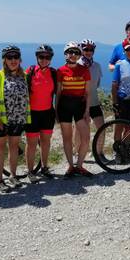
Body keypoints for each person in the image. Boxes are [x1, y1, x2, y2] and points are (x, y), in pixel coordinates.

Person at [0, 45, 31, 193]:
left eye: (16, 57)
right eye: (9, 57)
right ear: (4, 60)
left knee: (13, 148)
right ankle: (0, 180)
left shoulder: (24, 76)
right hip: (0, 120)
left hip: (17, 119)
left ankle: (13, 176)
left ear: (20, 59)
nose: (13, 60)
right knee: (0, 150)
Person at [55, 42, 92, 178]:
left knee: (86, 137)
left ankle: (80, 165)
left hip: (79, 105)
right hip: (64, 105)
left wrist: (87, 110)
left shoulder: (84, 70)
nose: (73, 55)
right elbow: (58, 92)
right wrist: (56, 110)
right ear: (66, 54)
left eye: (76, 52)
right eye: (71, 52)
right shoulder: (60, 71)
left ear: (79, 55)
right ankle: (70, 166)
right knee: (67, 137)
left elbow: (88, 92)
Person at [25, 44, 57, 182]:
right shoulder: (30, 72)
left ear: (50, 58)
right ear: (37, 58)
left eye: (47, 57)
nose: (44, 59)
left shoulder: (53, 73)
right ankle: (30, 171)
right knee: (31, 143)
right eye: (41, 57)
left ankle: (44, 168)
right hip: (32, 113)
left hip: (48, 112)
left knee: (46, 142)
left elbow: (58, 93)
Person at [74, 39, 105, 158]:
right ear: (81, 49)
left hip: (94, 103)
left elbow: (96, 84)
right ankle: (77, 153)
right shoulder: (76, 66)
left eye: (91, 49)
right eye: (86, 49)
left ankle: (99, 153)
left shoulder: (97, 66)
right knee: (78, 130)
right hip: (80, 104)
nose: (88, 51)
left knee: (101, 127)